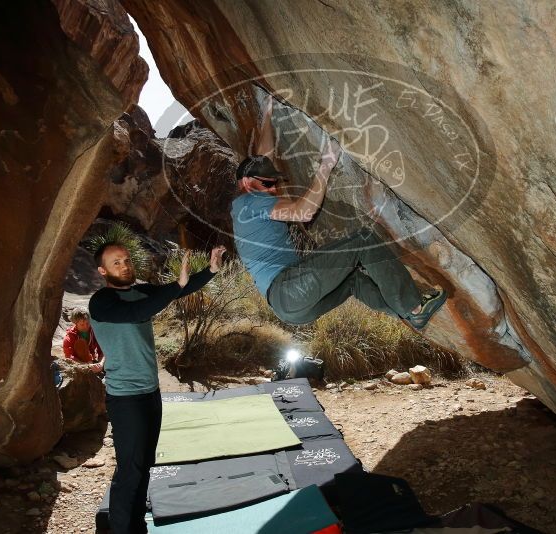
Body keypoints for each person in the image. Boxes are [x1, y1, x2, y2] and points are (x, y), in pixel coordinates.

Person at [231, 96, 447, 328]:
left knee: (353, 280)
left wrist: (267, 114)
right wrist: (326, 164)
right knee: (362, 241)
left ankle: (403, 312)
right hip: (289, 291)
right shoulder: (249, 201)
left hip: (291, 311)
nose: (273, 189)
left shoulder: (246, 205)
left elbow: (265, 158)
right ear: (246, 182)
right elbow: (303, 213)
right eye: (267, 184)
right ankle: (414, 309)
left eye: (273, 183)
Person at [89, 242, 225, 534]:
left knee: (144, 464)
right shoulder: (101, 301)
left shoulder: (140, 291)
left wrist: (210, 269)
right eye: (116, 262)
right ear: (102, 270)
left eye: (126, 260)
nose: (124, 265)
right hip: (125, 397)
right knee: (130, 469)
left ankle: (136, 526)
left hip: (149, 393)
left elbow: (177, 290)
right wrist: (176, 286)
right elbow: (139, 312)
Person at [62, 307, 104, 373]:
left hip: (93, 361)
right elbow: (69, 357)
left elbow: (103, 349)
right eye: (82, 324)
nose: (86, 327)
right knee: (80, 344)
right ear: (76, 323)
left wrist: (101, 363)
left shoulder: (94, 331)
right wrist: (87, 366)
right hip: (80, 363)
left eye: (87, 323)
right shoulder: (69, 337)